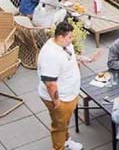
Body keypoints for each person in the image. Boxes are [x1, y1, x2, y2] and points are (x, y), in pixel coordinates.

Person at [38, 22, 90, 150]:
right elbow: (50, 83)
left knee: (65, 121)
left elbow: (69, 57)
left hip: (70, 93)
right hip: (61, 98)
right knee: (59, 127)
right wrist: (57, 102)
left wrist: (83, 58)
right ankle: (59, 147)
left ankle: (66, 140)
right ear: (60, 37)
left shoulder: (64, 45)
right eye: (70, 37)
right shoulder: (50, 55)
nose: (72, 40)